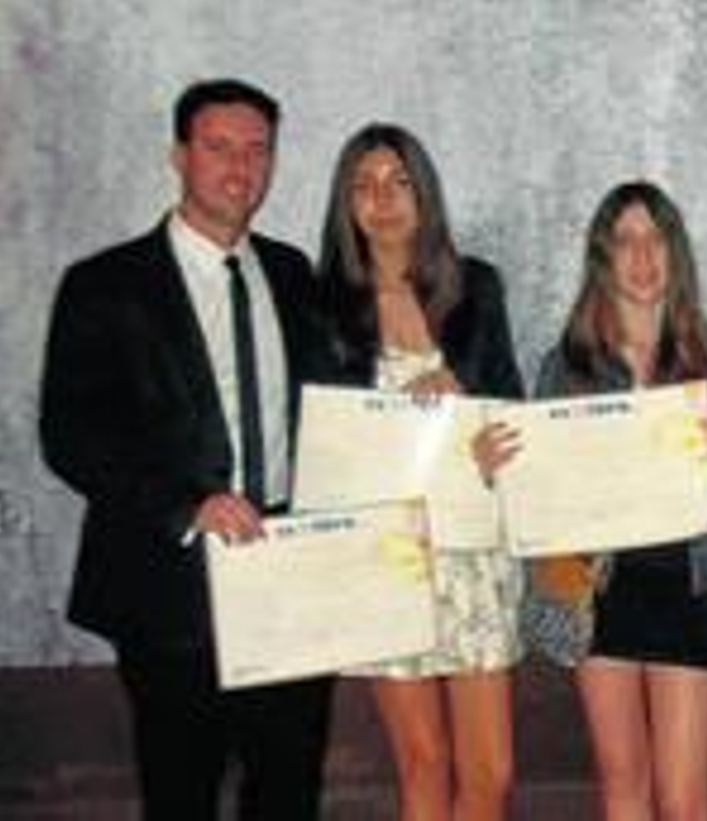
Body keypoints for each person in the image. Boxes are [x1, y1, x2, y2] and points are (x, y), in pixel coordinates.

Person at [38, 78, 334, 820]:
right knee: (180, 792)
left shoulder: (294, 273)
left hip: (291, 575)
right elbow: (70, 435)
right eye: (219, 147)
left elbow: (327, 409)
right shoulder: (105, 284)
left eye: (258, 150)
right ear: (179, 156)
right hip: (168, 585)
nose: (241, 167)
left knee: (290, 790)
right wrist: (189, 505)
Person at [488, 180, 707, 820]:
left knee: (685, 799)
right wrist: (500, 469)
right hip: (599, 589)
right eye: (624, 241)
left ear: (676, 251)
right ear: (601, 257)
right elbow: (540, 497)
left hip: (687, 584)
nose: (642, 257)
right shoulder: (565, 366)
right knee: (623, 789)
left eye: (655, 239)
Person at [317, 123, 526, 820]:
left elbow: (512, 408)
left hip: (473, 554)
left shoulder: (477, 287)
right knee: (422, 763)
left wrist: (477, 417)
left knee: (491, 772)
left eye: (398, 182)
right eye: (364, 185)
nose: (382, 200)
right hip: (386, 555)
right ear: (345, 203)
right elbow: (318, 442)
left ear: (424, 193)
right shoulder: (321, 305)